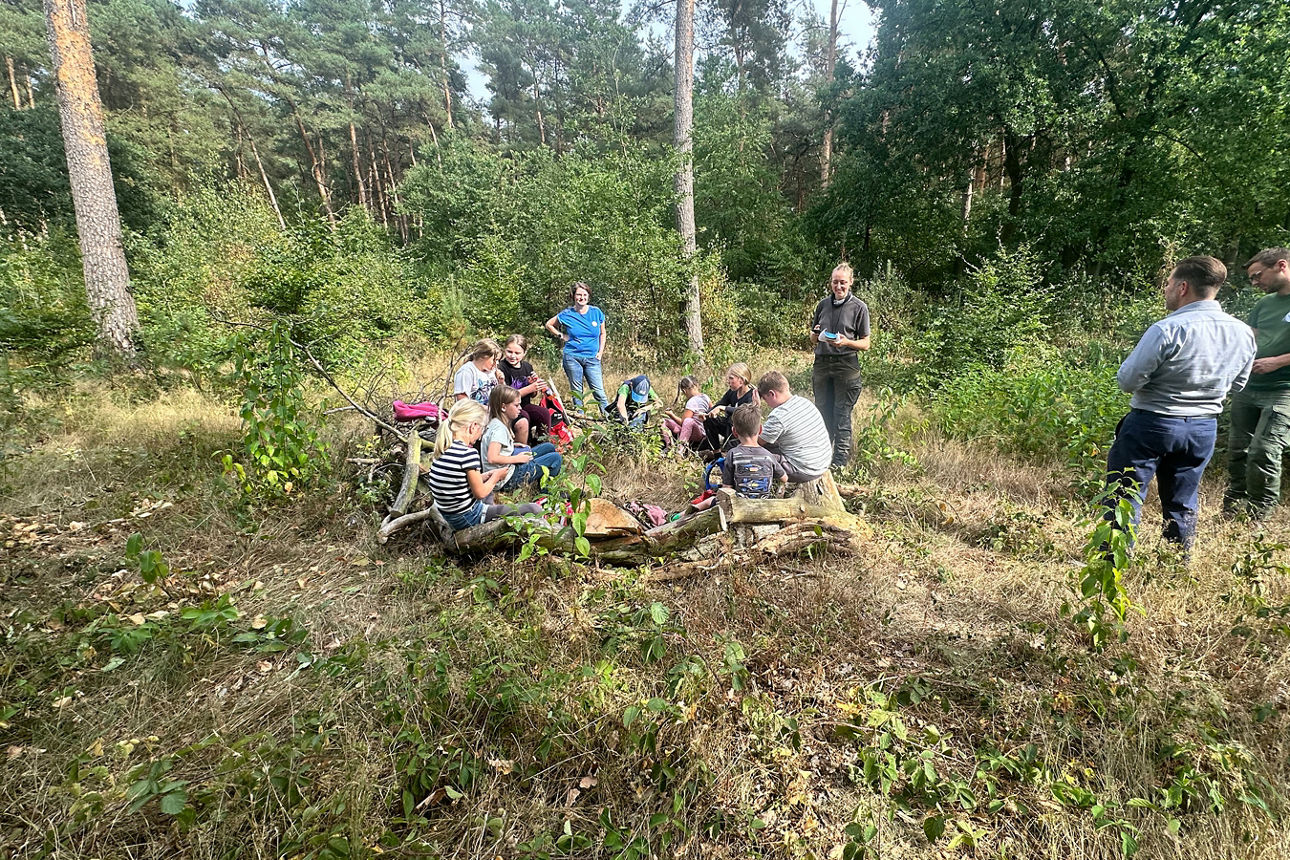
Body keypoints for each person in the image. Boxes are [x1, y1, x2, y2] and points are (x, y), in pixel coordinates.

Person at [1105, 255, 1254, 551]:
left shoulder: (1167, 329)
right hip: (1202, 429)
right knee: (1183, 501)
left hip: (1153, 423)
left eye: (1169, 283)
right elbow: (1238, 384)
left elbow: (1127, 381)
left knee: (1125, 494)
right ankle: (1176, 564)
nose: (1166, 289)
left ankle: (1112, 563)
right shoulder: (1242, 332)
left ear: (1183, 286)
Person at [1225, 248, 1290, 520]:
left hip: (1283, 389)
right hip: (1249, 387)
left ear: (1281, 265)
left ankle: (1258, 516)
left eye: (1258, 276)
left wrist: (1278, 362)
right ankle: (1232, 509)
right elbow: (1250, 337)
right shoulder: (1264, 305)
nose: (1255, 283)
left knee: (1265, 450)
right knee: (1237, 448)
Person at [429, 399, 543, 531]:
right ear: (473, 426)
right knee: (534, 509)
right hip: (469, 518)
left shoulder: (443, 449)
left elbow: (455, 480)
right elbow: (480, 493)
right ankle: (491, 518)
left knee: (489, 488)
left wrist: (484, 476)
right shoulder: (467, 454)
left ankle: (491, 510)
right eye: (481, 429)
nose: (480, 435)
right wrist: (496, 477)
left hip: (452, 515)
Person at [810, 263, 871, 468]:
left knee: (841, 414)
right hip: (822, 365)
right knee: (822, 413)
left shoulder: (859, 307)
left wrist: (846, 342)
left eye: (843, 282)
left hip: (846, 365)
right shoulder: (822, 305)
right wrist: (817, 335)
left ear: (851, 282)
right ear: (831, 283)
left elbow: (866, 343)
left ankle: (839, 464)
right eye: (835, 282)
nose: (839, 286)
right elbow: (813, 337)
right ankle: (821, 460)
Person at [756, 371, 834, 483]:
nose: (766, 403)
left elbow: (755, 442)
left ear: (772, 394)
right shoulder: (805, 402)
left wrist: (756, 409)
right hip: (822, 462)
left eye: (765, 398)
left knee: (752, 454)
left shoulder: (779, 416)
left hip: (803, 470)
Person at [545, 282, 609, 415]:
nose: (582, 297)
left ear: (588, 297)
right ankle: (581, 419)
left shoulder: (596, 312)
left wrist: (600, 352)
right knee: (577, 391)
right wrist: (561, 335)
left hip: (592, 358)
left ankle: (610, 421)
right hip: (572, 357)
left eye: (585, 295)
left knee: (599, 392)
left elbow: (603, 333)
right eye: (579, 294)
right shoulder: (567, 313)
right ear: (573, 296)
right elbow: (549, 324)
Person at [482, 387, 564, 489]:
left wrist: (512, 445)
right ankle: (547, 494)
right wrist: (517, 459)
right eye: (516, 405)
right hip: (507, 478)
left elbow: (495, 447)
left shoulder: (496, 423)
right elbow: (492, 458)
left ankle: (539, 479)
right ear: (503, 407)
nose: (520, 408)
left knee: (548, 447)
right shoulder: (499, 430)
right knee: (555, 458)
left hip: (508, 469)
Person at [722, 403, 788, 498]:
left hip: (739, 506)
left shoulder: (732, 454)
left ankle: (696, 508)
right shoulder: (769, 455)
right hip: (764, 506)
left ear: (734, 432)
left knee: (709, 501)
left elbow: (727, 488)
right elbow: (784, 478)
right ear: (760, 430)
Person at [499, 334, 550, 445]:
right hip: (508, 407)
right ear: (504, 350)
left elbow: (532, 395)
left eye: (517, 353)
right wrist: (530, 388)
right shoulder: (501, 367)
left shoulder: (527, 367)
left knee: (544, 413)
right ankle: (522, 448)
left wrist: (534, 387)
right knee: (524, 416)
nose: (513, 356)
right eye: (509, 352)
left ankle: (541, 444)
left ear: (524, 353)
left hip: (525, 404)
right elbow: (506, 396)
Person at [703, 363, 759, 450]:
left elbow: (744, 411)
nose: (728, 381)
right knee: (709, 420)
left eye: (731, 378)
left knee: (732, 419)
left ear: (742, 380)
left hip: (743, 430)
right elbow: (720, 403)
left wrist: (724, 408)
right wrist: (706, 413)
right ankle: (716, 453)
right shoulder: (732, 392)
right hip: (729, 428)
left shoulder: (751, 395)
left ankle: (729, 450)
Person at [662, 376, 712, 450]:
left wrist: (671, 415)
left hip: (698, 433)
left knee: (688, 421)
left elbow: (683, 423)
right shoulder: (706, 397)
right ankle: (669, 446)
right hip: (703, 430)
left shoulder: (691, 402)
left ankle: (679, 448)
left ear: (684, 391)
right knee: (665, 421)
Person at [453, 339, 503, 405]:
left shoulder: (492, 372)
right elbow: (462, 401)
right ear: (483, 357)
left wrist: (501, 382)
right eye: (495, 360)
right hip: (475, 413)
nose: (497, 363)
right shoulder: (466, 372)